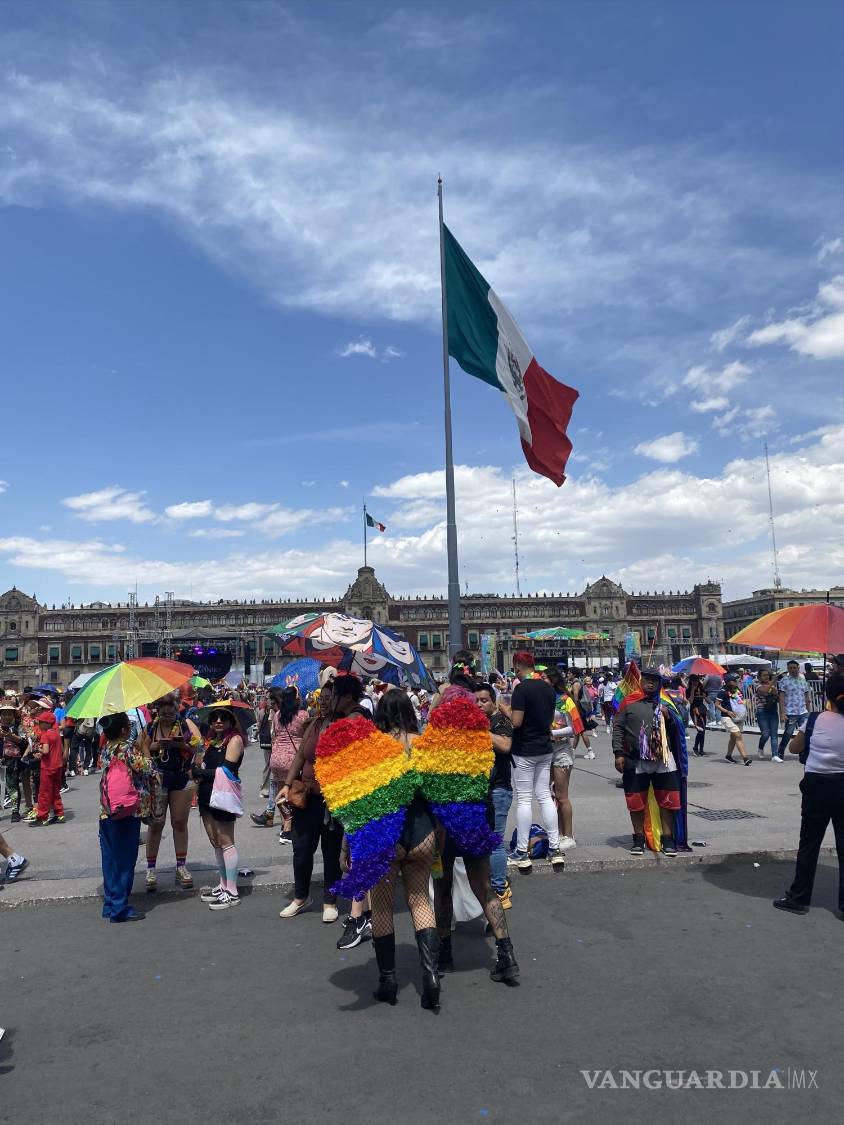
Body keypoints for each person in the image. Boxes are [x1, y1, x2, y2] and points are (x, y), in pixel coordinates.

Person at [366, 688, 440, 1009]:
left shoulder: (375, 748)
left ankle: (388, 980)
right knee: (421, 899)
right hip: (423, 831)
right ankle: (431, 976)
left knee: (382, 907)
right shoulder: (423, 745)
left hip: (387, 835)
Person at [277, 675, 363, 921]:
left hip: (331, 798)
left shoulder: (346, 722)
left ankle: (330, 900)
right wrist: (285, 785)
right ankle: (300, 897)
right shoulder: (313, 724)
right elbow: (300, 757)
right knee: (301, 849)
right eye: (322, 698)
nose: (325, 702)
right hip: (306, 796)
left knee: (330, 851)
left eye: (330, 697)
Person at [773, 672, 844, 916]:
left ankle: (799, 897)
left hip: (816, 787)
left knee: (809, 844)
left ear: (828, 695)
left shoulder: (814, 719)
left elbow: (794, 747)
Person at [498, 651, 563, 870]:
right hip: (545, 748)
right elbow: (549, 718)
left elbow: (516, 722)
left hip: (525, 750)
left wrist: (505, 710)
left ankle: (521, 851)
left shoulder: (521, 689)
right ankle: (555, 848)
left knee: (524, 799)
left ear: (517, 666)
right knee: (545, 795)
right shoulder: (548, 688)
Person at [612, 668, 682, 856]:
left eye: (655, 680)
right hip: (635, 760)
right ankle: (638, 838)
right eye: (647, 679)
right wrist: (618, 753)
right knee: (636, 802)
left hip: (664, 759)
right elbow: (617, 727)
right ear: (641, 680)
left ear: (660, 683)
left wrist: (670, 718)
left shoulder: (667, 701)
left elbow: (681, 725)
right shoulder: (628, 701)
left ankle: (667, 839)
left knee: (669, 800)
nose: (651, 683)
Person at [137, 693, 203, 890]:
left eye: (170, 707)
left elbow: (198, 748)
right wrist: (156, 746)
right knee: (156, 824)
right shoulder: (151, 727)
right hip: (158, 778)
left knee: (179, 823)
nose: (167, 711)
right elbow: (141, 748)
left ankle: (181, 866)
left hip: (181, 778)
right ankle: (150, 869)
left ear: (177, 707)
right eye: (163, 707)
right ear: (157, 709)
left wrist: (178, 744)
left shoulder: (186, 725)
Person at [98, 712, 152, 922]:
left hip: (107, 809)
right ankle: (120, 908)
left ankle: (110, 903)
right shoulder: (127, 749)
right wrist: (145, 748)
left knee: (110, 859)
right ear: (123, 730)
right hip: (126, 810)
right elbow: (148, 769)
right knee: (125, 860)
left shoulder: (105, 749)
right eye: (128, 726)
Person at [192, 704, 246, 911]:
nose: (218, 721)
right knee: (216, 841)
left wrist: (200, 773)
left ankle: (232, 892)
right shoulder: (212, 741)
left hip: (223, 796)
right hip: (207, 795)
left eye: (224, 717)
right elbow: (205, 764)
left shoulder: (235, 740)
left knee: (226, 841)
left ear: (232, 721)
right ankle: (223, 885)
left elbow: (227, 769)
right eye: (215, 717)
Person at [474, 683, 515, 904]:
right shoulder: (481, 722)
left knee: (495, 841)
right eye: (476, 701)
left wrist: (481, 730)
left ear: (493, 701)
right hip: (482, 789)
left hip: (498, 789)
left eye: (484, 700)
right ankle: (490, 883)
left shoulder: (500, 721)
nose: (479, 704)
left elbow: (505, 745)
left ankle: (499, 889)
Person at [32, 710, 66, 825]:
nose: (39, 724)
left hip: (47, 767)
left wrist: (37, 748)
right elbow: (60, 749)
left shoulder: (45, 735)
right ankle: (59, 814)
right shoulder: (56, 733)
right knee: (56, 791)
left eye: (41, 722)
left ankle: (42, 817)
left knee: (44, 793)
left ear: (47, 723)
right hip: (58, 766)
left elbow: (45, 751)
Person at [775, 660, 812, 763]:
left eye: (794, 668)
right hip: (790, 712)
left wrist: (809, 712)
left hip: (803, 711)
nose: (792, 670)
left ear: (798, 668)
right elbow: (781, 698)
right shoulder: (784, 681)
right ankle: (781, 750)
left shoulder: (803, 679)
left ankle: (802, 752)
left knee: (804, 733)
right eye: (790, 668)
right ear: (788, 669)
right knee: (788, 733)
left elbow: (807, 696)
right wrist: (782, 713)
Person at [716, 676, 752, 765]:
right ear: (728, 682)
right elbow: (717, 704)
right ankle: (745, 758)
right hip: (727, 717)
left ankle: (728, 756)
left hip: (738, 717)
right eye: (733, 680)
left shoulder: (737, 690)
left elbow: (741, 701)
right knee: (738, 735)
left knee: (733, 737)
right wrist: (727, 711)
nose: (736, 682)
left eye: (736, 680)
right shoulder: (722, 692)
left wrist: (746, 706)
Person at [753, 669, 780, 759]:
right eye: (764, 675)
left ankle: (775, 755)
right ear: (759, 677)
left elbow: (778, 698)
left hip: (773, 710)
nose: (767, 677)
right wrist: (772, 683)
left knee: (774, 734)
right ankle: (760, 748)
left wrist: (776, 694)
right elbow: (764, 691)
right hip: (762, 711)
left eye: (768, 675)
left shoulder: (772, 686)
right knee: (765, 734)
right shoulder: (757, 685)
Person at [687, 676, 708, 757]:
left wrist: (704, 696)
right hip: (694, 711)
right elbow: (691, 701)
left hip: (702, 709)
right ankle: (695, 748)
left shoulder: (702, 688)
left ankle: (701, 749)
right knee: (700, 730)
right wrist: (692, 690)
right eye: (693, 681)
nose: (695, 682)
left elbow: (707, 700)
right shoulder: (688, 690)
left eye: (696, 680)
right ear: (691, 682)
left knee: (703, 730)